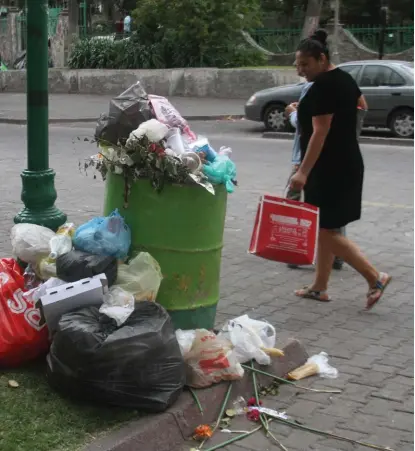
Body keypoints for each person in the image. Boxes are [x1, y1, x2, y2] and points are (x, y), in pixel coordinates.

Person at [290, 30, 391, 309]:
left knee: (327, 231)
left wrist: (302, 172)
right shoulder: (344, 79)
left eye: (305, 65)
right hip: (344, 161)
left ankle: (375, 277)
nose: (301, 71)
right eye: (297, 65)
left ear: (322, 59)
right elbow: (360, 107)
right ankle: (319, 286)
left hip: (330, 167)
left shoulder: (324, 87)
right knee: (326, 227)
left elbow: (319, 133)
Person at [284, 78, 345, 271]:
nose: (299, 68)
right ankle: (337, 254)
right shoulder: (340, 86)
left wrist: (293, 113)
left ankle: (295, 250)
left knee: (295, 201)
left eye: (302, 63)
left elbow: (306, 126)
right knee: (331, 206)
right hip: (332, 157)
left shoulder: (313, 87)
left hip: (306, 157)